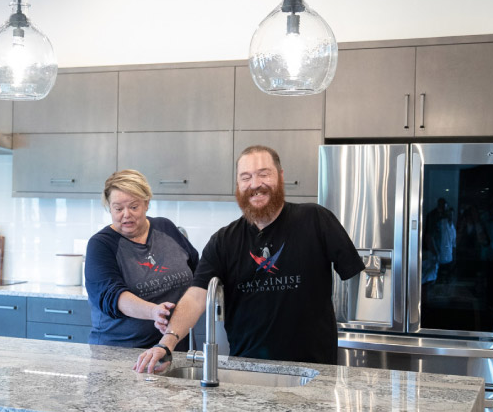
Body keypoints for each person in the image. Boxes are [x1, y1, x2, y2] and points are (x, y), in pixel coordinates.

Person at [134, 145, 364, 373]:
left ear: (280, 177)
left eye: (264, 174)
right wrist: (166, 343)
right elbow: (196, 296)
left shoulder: (316, 219)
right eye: (246, 177)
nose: (255, 184)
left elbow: (353, 276)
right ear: (238, 185)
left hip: (313, 371)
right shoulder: (223, 241)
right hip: (249, 371)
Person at [85, 169, 198, 349]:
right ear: (109, 207)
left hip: (175, 347)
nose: (126, 214)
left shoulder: (166, 228)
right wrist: (154, 311)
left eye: (134, 206)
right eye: (118, 208)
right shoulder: (101, 245)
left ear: (147, 203)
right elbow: (114, 296)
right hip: (121, 353)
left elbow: (197, 270)